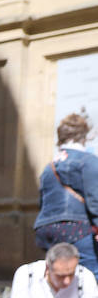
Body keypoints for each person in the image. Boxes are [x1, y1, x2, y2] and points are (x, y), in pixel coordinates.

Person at [33, 111, 98, 273]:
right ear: (84, 136)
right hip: (76, 227)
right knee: (90, 274)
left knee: (60, 276)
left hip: (46, 229)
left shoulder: (49, 167)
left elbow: (42, 201)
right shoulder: (87, 161)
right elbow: (94, 199)